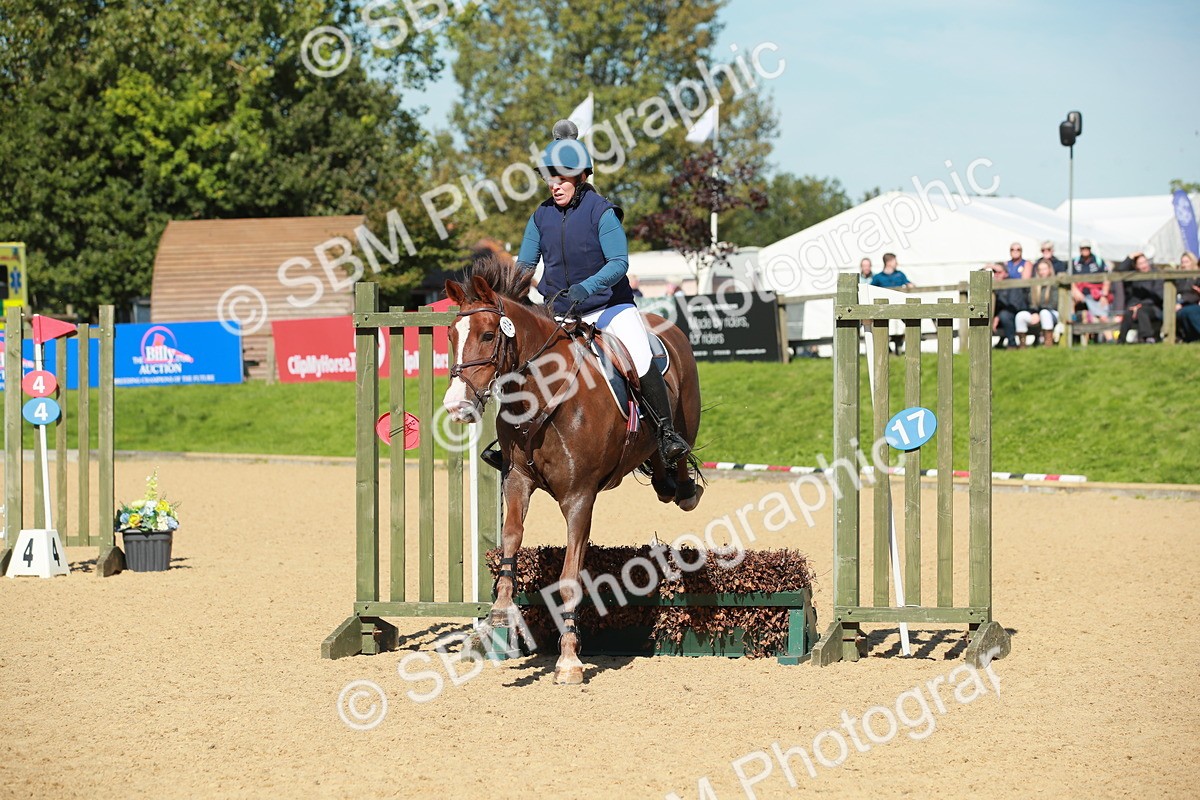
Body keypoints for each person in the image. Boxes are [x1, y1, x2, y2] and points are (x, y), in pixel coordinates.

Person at [513, 119, 689, 464]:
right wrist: (508, 293)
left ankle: (666, 433)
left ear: (581, 178)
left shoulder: (602, 212)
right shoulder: (540, 216)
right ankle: (512, 441)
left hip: (609, 307)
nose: (555, 185)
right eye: (551, 177)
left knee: (639, 354)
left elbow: (618, 263)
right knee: (525, 359)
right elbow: (525, 265)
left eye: (562, 177)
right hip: (560, 311)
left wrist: (587, 286)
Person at [1117, 254, 1163, 343]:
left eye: (1145, 262)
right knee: (1128, 313)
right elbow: (1120, 270)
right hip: (1134, 306)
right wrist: (1130, 256)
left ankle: (1147, 338)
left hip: (1152, 307)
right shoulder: (1133, 277)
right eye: (1140, 263)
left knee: (1142, 311)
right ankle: (1121, 340)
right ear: (1136, 266)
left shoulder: (1156, 274)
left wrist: (1140, 306)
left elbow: (1158, 295)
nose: (1144, 265)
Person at [1015, 259, 1059, 347]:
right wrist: (1034, 313)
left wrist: (1039, 313)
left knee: (1045, 313)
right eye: (1040, 269)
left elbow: (1054, 304)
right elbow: (1031, 303)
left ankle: (1048, 344)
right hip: (1037, 313)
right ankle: (1022, 345)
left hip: (1052, 313)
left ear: (1050, 269)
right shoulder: (1034, 284)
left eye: (1044, 269)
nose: (1042, 272)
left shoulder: (1055, 283)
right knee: (1020, 316)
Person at [1071, 239, 1111, 326]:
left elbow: (1106, 278)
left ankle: (1110, 338)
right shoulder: (1075, 262)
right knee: (1070, 305)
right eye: (1083, 248)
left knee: (1102, 315)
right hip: (1079, 294)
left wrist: (1104, 295)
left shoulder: (1098, 261)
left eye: (1087, 248)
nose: (1085, 250)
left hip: (1095, 294)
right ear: (1080, 249)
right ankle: (1071, 324)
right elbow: (1070, 279)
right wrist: (1075, 291)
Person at [990, 264, 1028, 349]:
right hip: (999, 316)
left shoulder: (1012, 283)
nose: (996, 274)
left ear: (1006, 273)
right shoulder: (993, 285)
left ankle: (1012, 344)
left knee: (1005, 315)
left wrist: (998, 317)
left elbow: (1014, 305)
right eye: (994, 272)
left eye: (999, 272)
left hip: (1014, 313)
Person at [1175, 251, 1200, 343]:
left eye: (1186, 262)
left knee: (1188, 311)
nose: (1184, 265)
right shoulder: (1179, 278)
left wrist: (1182, 303)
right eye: (1182, 262)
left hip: (1192, 304)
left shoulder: (1197, 277)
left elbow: (1194, 295)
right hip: (1180, 305)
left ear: (1192, 262)